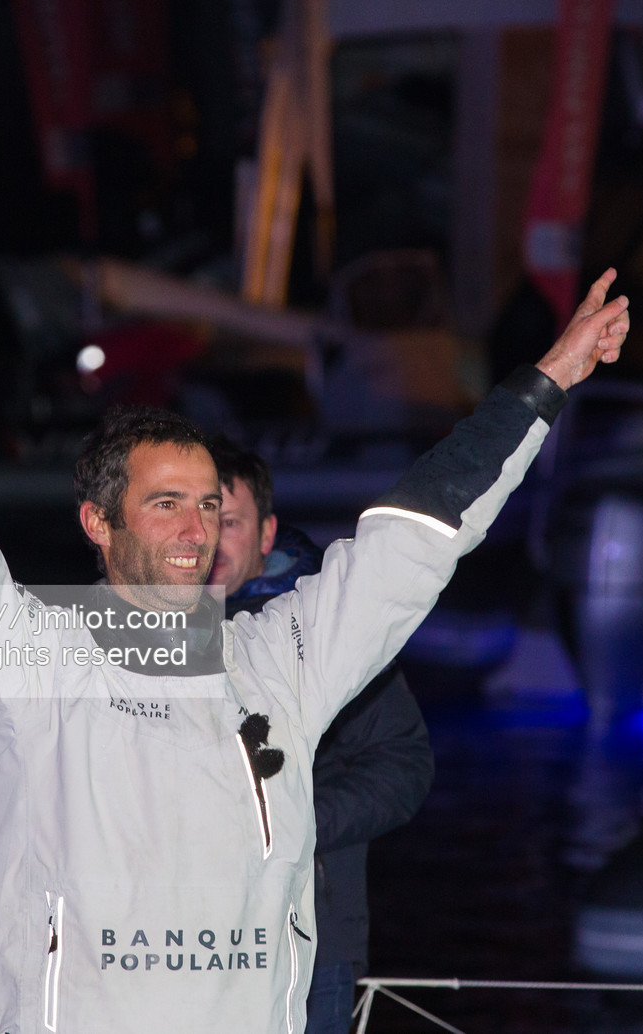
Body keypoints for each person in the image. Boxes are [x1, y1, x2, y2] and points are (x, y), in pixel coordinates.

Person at [0, 243, 629, 1034]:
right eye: (164, 503)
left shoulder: (283, 658)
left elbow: (419, 534)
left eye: (208, 505)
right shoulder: (31, 662)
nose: (194, 529)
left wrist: (541, 383)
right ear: (98, 521)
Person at [206, 438, 434, 1034]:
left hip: (305, 938)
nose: (209, 538)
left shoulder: (332, 633)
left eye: (229, 520)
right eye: (198, 516)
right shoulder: (137, 629)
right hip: (171, 940)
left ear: (265, 533)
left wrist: (292, 820)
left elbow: (403, 765)